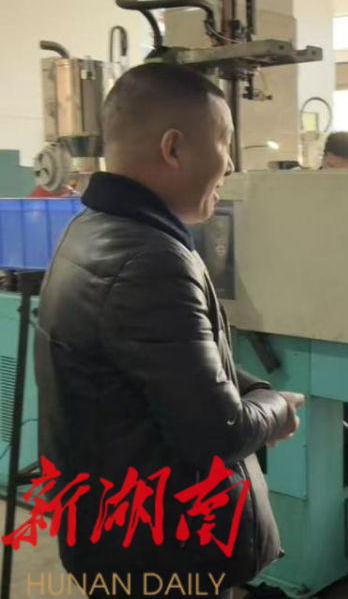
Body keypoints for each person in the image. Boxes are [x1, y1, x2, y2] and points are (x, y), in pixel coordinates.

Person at [35, 64, 306, 598]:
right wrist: (278, 408)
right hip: (166, 554)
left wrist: (252, 387)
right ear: (174, 148)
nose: (230, 163)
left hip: (117, 537)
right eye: (225, 142)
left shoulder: (89, 230)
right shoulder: (151, 260)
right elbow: (220, 433)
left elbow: (175, 365)